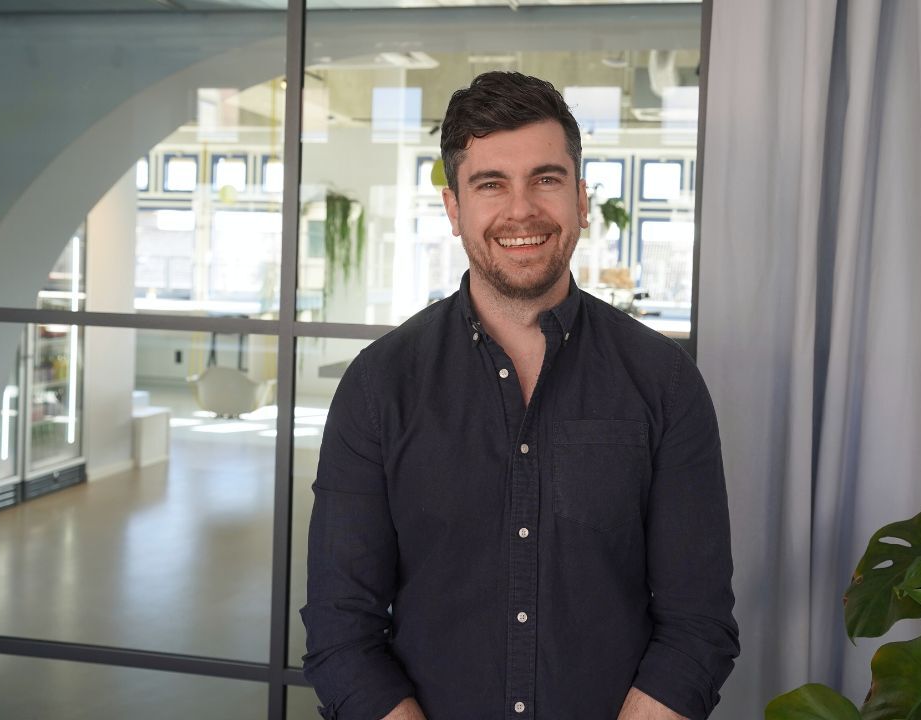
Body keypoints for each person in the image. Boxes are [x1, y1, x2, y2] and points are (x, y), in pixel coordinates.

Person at [301, 71, 738, 720]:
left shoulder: (664, 382)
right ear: (454, 210)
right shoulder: (378, 387)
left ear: (582, 200)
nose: (521, 210)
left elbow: (697, 628)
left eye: (546, 179)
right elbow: (341, 632)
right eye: (490, 184)